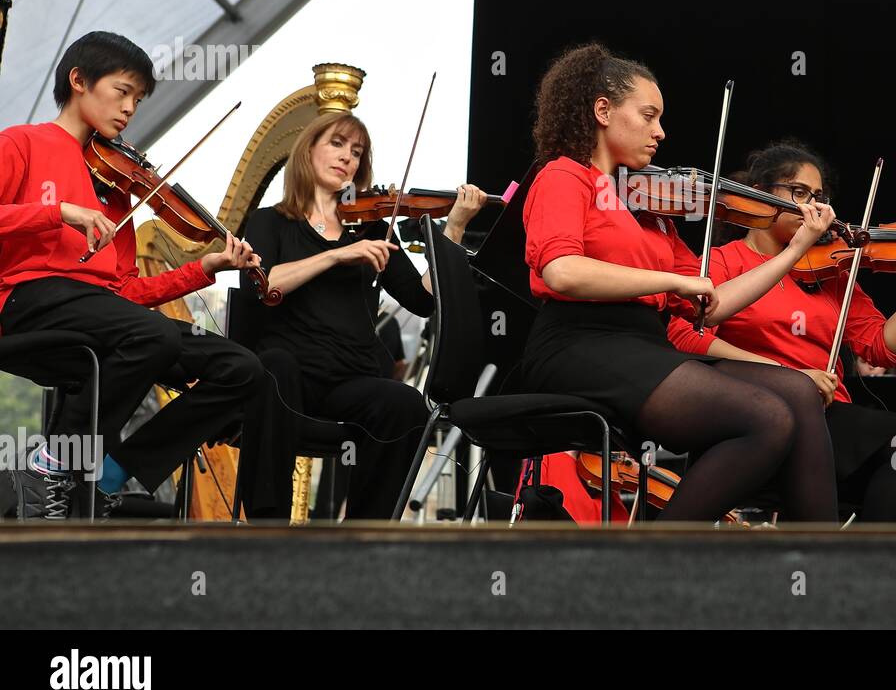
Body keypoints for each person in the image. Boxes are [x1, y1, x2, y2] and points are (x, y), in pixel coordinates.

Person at [521, 42, 843, 523]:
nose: (660, 132)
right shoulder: (565, 177)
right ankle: (656, 557)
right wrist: (669, 279)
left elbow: (710, 302)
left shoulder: (649, 210)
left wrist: (797, 249)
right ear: (603, 111)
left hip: (643, 347)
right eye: (649, 116)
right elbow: (562, 271)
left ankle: (822, 559)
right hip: (579, 346)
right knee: (765, 417)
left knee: (796, 391)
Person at [0, 31, 272, 519]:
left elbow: (123, 291)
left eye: (138, 100)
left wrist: (202, 269)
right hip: (27, 300)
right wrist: (57, 212)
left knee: (241, 369)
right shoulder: (22, 142)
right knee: (150, 337)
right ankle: (50, 465)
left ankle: (107, 477)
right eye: (121, 91)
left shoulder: (116, 185)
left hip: (101, 315)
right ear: (79, 80)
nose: (129, 109)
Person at [669, 140, 896, 523]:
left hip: (831, 420)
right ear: (761, 195)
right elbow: (684, 336)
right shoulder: (725, 261)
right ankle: (858, 573)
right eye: (798, 193)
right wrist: (789, 375)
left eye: (818, 196)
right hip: (761, 419)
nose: (813, 206)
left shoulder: (829, 271)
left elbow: (884, 348)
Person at [242, 113, 480, 519]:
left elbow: (421, 299)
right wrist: (336, 254)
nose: (347, 158)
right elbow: (264, 286)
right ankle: (269, 526)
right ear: (308, 150)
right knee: (273, 366)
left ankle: (365, 533)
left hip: (347, 379)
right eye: (337, 144)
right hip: (288, 378)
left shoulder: (370, 231)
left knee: (404, 404)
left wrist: (453, 229)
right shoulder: (271, 222)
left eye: (356, 152)